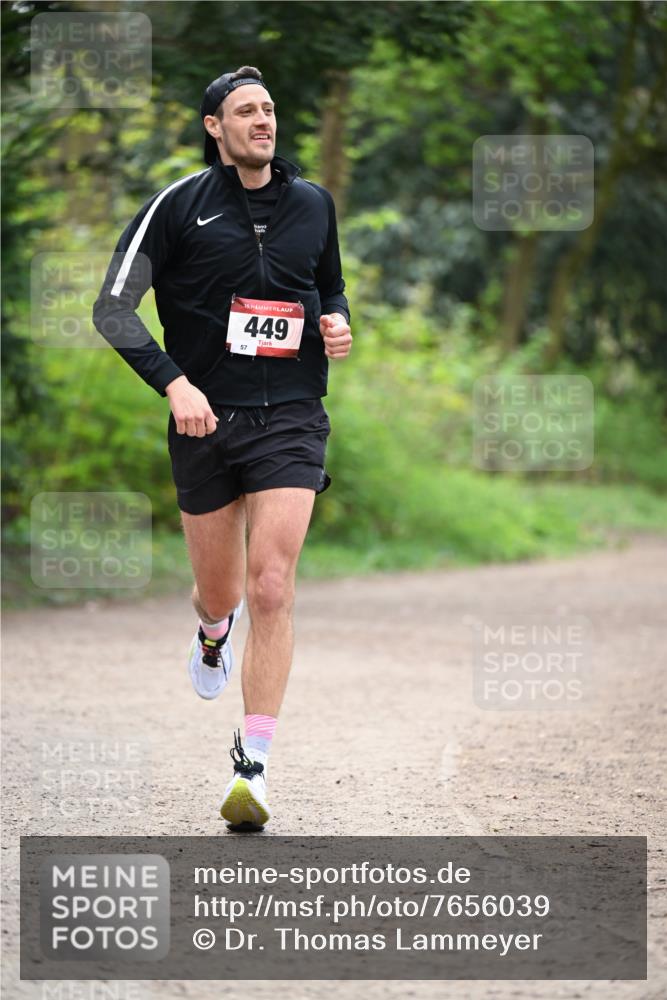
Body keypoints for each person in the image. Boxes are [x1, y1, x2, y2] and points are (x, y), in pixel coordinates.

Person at [93, 65, 352, 827]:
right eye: (245, 111)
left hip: (291, 417)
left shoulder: (312, 204)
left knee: (272, 585)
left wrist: (336, 324)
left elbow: (327, 288)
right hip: (204, 421)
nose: (262, 121)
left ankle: (255, 768)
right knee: (225, 595)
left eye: (269, 109)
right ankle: (211, 634)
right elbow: (113, 309)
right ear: (215, 127)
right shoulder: (177, 208)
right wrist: (174, 385)